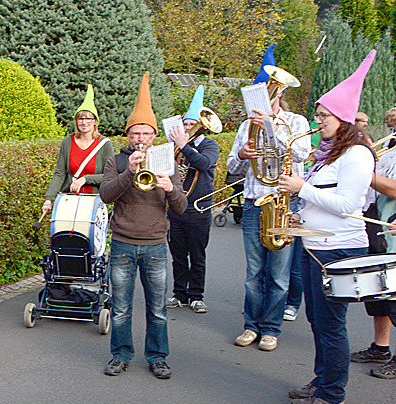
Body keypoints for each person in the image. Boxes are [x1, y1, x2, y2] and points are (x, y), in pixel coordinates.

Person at [281, 50, 377, 404]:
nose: (317, 120)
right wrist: (299, 217)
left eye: (323, 116)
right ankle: (321, 380)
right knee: (316, 320)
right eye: (318, 114)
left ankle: (333, 394)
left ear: (344, 120)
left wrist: (300, 190)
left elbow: (347, 205)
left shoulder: (357, 156)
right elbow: (323, 201)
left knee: (331, 324)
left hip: (338, 250)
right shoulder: (330, 154)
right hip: (315, 244)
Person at [100, 72, 187, 380]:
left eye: (146, 134)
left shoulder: (166, 160)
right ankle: (121, 355)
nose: (140, 139)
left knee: (158, 309)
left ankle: (157, 357)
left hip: (156, 246)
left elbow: (181, 207)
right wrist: (129, 173)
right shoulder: (118, 162)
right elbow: (106, 195)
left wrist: (169, 186)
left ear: (154, 136)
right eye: (135, 133)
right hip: (123, 243)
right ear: (128, 136)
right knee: (121, 308)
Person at [227, 56, 311, 352]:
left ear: (280, 93)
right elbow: (232, 169)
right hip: (254, 203)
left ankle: (271, 329)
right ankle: (251, 326)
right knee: (253, 273)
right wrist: (242, 155)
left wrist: (274, 125)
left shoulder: (296, 121)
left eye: (272, 89)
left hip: (285, 203)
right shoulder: (244, 126)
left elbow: (301, 154)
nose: (267, 94)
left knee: (279, 272)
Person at [166, 85, 219, 314]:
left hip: (199, 208)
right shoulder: (175, 148)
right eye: (185, 124)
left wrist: (184, 147)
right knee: (177, 254)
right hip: (176, 208)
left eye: (192, 124)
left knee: (197, 254)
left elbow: (204, 164)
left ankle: (197, 294)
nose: (188, 128)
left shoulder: (209, 144)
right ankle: (180, 293)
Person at [348, 143, 396, 378]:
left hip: (393, 230)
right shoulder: (391, 149)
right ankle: (381, 347)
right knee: (379, 292)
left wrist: (362, 173)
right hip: (378, 222)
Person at [43, 84, 112, 212]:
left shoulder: (105, 144)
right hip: (69, 201)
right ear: (76, 121)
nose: (84, 122)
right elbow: (60, 173)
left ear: (95, 121)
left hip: (94, 202)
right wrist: (48, 198)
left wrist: (86, 179)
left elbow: (110, 175)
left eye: (88, 118)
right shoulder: (67, 142)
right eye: (81, 118)